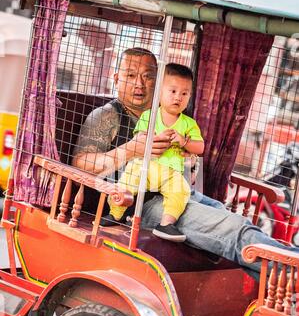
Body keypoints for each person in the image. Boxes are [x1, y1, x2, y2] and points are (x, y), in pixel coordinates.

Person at [73, 47, 299, 278]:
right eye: (130, 75)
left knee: (235, 221)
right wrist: (130, 150)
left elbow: (193, 154)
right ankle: (293, 272)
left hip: (179, 193)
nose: (139, 84)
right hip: (142, 202)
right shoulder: (107, 116)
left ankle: (281, 291)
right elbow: (81, 162)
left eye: (148, 76)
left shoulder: (170, 116)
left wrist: (188, 160)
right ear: (116, 78)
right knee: (233, 229)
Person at [105, 63, 204, 242]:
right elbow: (140, 140)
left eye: (184, 93)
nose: (178, 98)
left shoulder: (189, 124)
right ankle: (115, 213)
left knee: (181, 191)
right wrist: (158, 137)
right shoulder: (149, 116)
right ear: (159, 92)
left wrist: (184, 141)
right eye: (172, 91)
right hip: (147, 166)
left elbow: (200, 148)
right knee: (129, 176)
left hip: (172, 172)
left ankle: (166, 224)